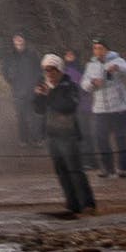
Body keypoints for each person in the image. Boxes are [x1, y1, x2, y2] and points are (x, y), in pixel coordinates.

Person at [35, 53, 97, 217]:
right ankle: (72, 204)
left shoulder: (69, 85)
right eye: (46, 70)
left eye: (52, 70)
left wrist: (49, 96)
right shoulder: (45, 86)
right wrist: (38, 96)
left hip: (68, 134)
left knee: (75, 170)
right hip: (52, 134)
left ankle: (88, 203)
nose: (49, 73)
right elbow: (38, 110)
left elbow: (67, 106)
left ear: (59, 70)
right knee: (61, 170)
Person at [83, 38, 126, 179]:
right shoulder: (91, 65)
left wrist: (119, 67)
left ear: (107, 49)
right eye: (95, 48)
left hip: (119, 107)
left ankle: (124, 168)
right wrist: (92, 83)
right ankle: (107, 168)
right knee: (100, 138)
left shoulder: (117, 60)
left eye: (101, 48)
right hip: (100, 109)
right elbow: (83, 85)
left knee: (120, 138)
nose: (98, 51)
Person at [0, 33, 42, 145]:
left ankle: (36, 139)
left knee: (33, 116)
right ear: (13, 41)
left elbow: (38, 70)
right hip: (17, 91)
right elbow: (4, 70)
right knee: (20, 116)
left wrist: (38, 84)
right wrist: (10, 80)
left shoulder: (32, 54)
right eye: (16, 38)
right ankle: (23, 139)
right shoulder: (10, 55)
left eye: (20, 38)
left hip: (31, 90)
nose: (18, 40)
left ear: (24, 40)